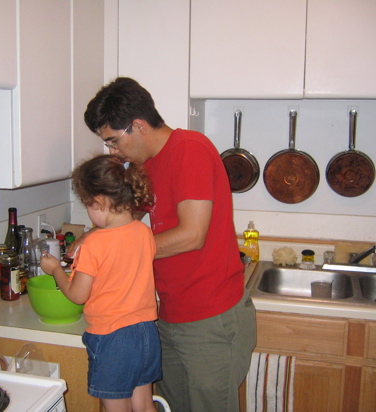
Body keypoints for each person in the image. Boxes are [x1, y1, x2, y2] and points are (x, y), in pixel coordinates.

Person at [81, 77, 257, 412]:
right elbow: (124, 220)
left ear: (138, 125)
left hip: (210, 317)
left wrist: (114, 253)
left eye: (114, 142)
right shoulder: (145, 165)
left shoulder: (189, 149)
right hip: (168, 313)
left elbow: (192, 235)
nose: (113, 151)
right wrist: (93, 238)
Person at [40, 154, 161, 412]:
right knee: (144, 405)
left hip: (113, 337)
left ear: (100, 202)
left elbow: (77, 295)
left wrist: (55, 271)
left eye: (88, 205)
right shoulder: (144, 232)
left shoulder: (94, 244)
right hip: (146, 333)